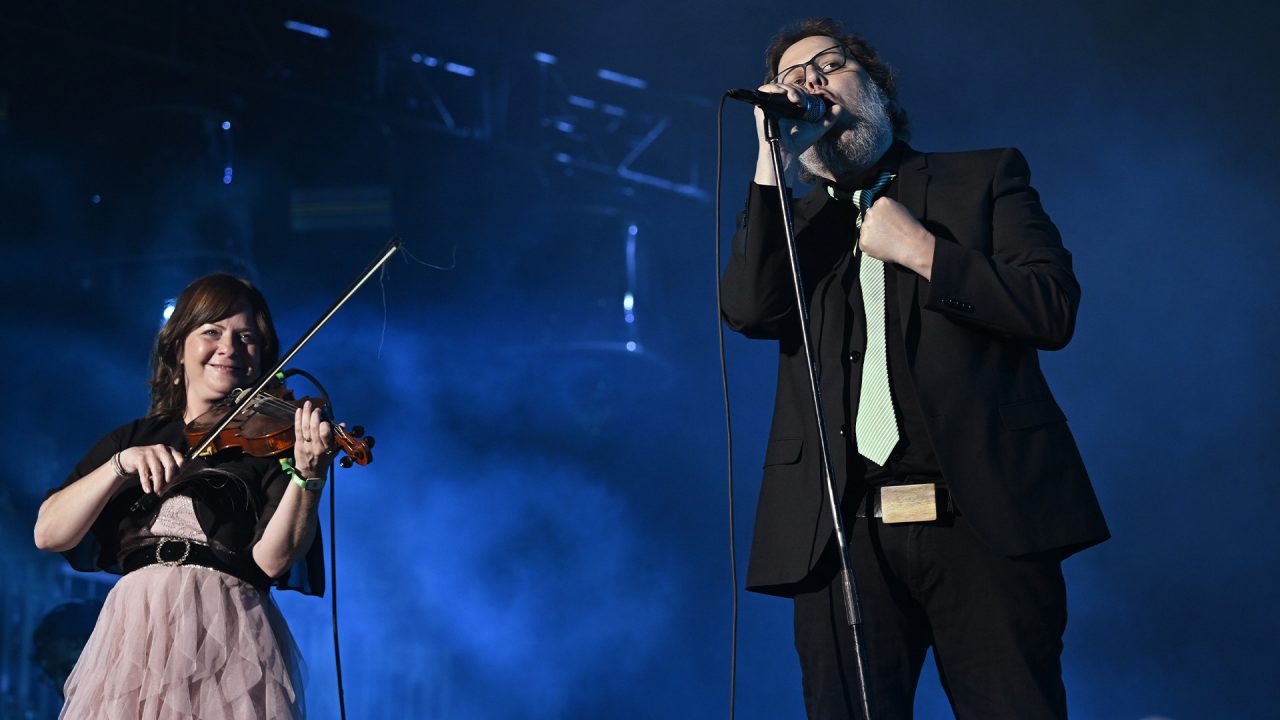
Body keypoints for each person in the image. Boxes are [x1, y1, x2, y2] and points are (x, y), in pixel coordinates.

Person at [720, 17, 1110, 719]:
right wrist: (771, 165)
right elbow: (749, 310)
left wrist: (925, 251)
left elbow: (1052, 309)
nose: (809, 84)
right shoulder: (797, 228)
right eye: (790, 79)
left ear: (876, 86)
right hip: (838, 536)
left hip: (983, 522)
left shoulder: (983, 177)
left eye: (829, 67)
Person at [34, 273, 331, 719]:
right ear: (179, 347)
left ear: (262, 357)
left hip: (229, 629)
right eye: (211, 331)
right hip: (136, 631)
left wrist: (308, 476)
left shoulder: (273, 448)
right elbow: (48, 533)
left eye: (246, 337)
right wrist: (119, 466)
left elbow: (273, 560)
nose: (229, 347)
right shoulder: (135, 437)